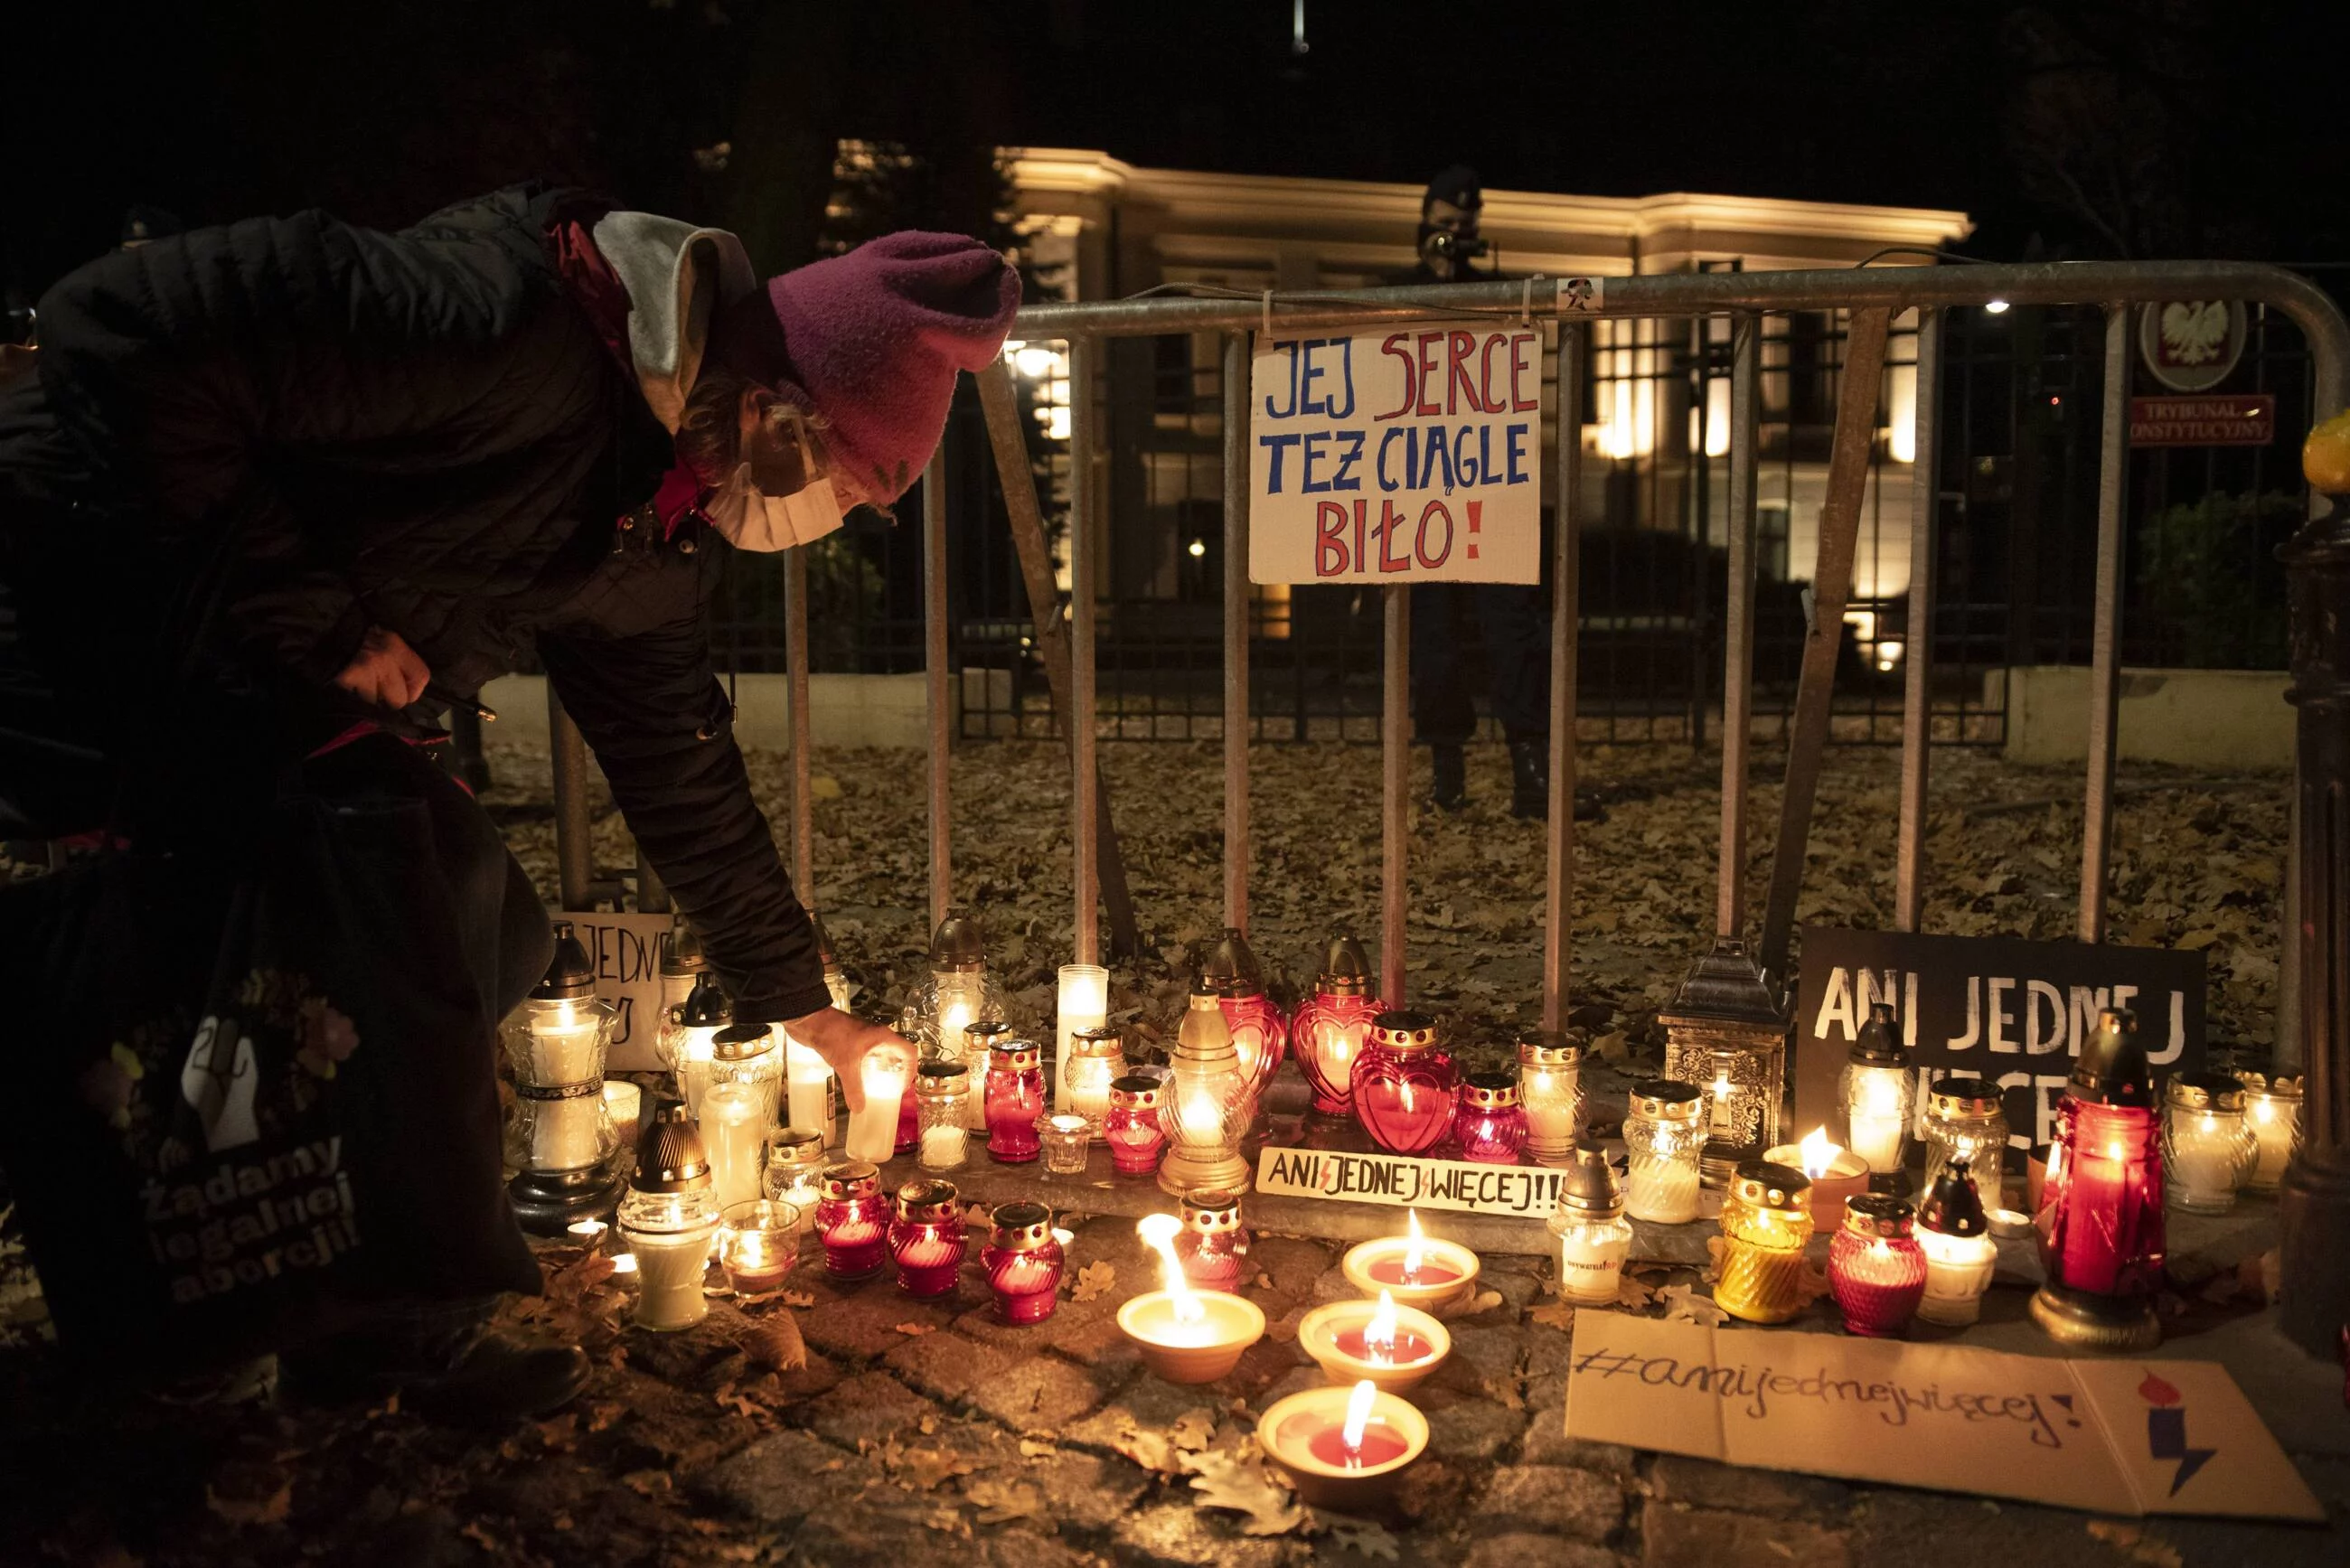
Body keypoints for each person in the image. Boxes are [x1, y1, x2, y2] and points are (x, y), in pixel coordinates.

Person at [0, 184, 1018, 1419]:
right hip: (100, 614)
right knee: (226, 971)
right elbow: (119, 323)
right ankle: (200, 1328)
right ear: (776, 414)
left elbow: (678, 763)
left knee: (469, 926)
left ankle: (368, 1312)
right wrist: (328, 626)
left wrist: (806, 1009)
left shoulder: (654, 512)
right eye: (848, 491)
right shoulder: (505, 328)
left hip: (265, 686)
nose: (828, 523)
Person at [1389, 165, 1554, 818]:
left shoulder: (1498, 293)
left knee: (1512, 626)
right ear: (1425, 220)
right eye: (1444, 225)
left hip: (1488, 477)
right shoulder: (1395, 290)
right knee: (1432, 632)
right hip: (1417, 481)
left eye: (1464, 228)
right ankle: (1446, 772)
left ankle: (1529, 769)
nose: (1453, 236)